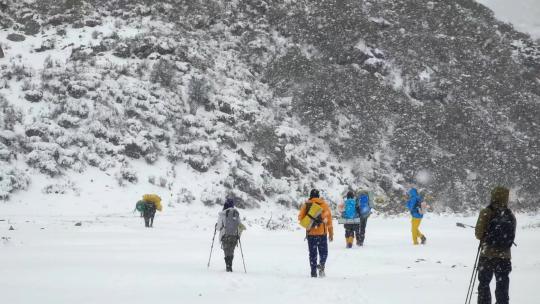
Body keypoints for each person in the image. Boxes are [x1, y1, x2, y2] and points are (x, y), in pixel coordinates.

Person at [475, 186, 516, 304]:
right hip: (504, 257)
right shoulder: (510, 215)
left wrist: (487, 237)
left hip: (487, 255)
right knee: (502, 286)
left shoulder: (486, 212)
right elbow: (512, 236)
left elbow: (479, 233)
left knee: (484, 284)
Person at [298, 189, 334, 277]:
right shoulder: (324, 205)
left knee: (312, 254)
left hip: (311, 234)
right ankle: (321, 266)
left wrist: (310, 219)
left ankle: (313, 272)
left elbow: (300, 218)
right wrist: (331, 234)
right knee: (324, 252)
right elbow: (329, 221)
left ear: (310, 195)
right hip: (322, 234)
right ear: (318, 196)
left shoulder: (306, 205)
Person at [216, 198, 245, 272]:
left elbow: (219, 227)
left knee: (226, 251)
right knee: (231, 251)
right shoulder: (236, 213)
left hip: (225, 235)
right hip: (234, 235)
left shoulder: (223, 214)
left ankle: (228, 266)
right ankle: (230, 265)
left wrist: (216, 226)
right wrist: (238, 235)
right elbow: (240, 225)